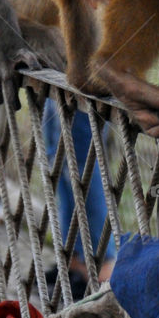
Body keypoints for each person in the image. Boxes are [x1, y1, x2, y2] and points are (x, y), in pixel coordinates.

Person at [42, 99, 116, 299]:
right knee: (58, 153)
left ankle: (102, 268)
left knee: (83, 160)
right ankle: (74, 261)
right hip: (62, 76)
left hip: (86, 83)